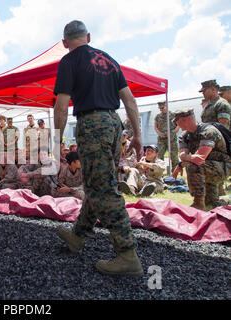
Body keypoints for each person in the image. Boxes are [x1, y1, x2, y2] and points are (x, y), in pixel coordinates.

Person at [53, 20, 144, 276]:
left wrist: (56, 139)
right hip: (114, 124)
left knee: (104, 189)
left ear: (64, 43)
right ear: (88, 37)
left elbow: (61, 106)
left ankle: (127, 255)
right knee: (96, 183)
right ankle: (78, 236)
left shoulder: (69, 61)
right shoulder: (109, 60)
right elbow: (129, 100)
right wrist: (136, 135)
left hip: (92, 124)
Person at [172, 108, 231, 210]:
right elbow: (182, 154)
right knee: (212, 203)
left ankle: (198, 203)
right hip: (208, 168)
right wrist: (183, 161)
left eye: (177, 121)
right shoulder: (184, 136)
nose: (176, 124)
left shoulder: (208, 132)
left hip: (223, 167)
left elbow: (199, 159)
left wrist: (186, 159)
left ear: (185, 120)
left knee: (193, 166)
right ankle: (227, 199)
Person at [154, 101, 179, 173]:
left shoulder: (173, 115)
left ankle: (175, 173)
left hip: (171, 139)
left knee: (174, 156)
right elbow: (155, 127)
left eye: (162, 107)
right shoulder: (158, 116)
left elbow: (178, 125)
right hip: (161, 140)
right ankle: (160, 173)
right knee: (160, 156)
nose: (161, 109)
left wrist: (172, 133)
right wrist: (160, 134)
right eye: (160, 108)